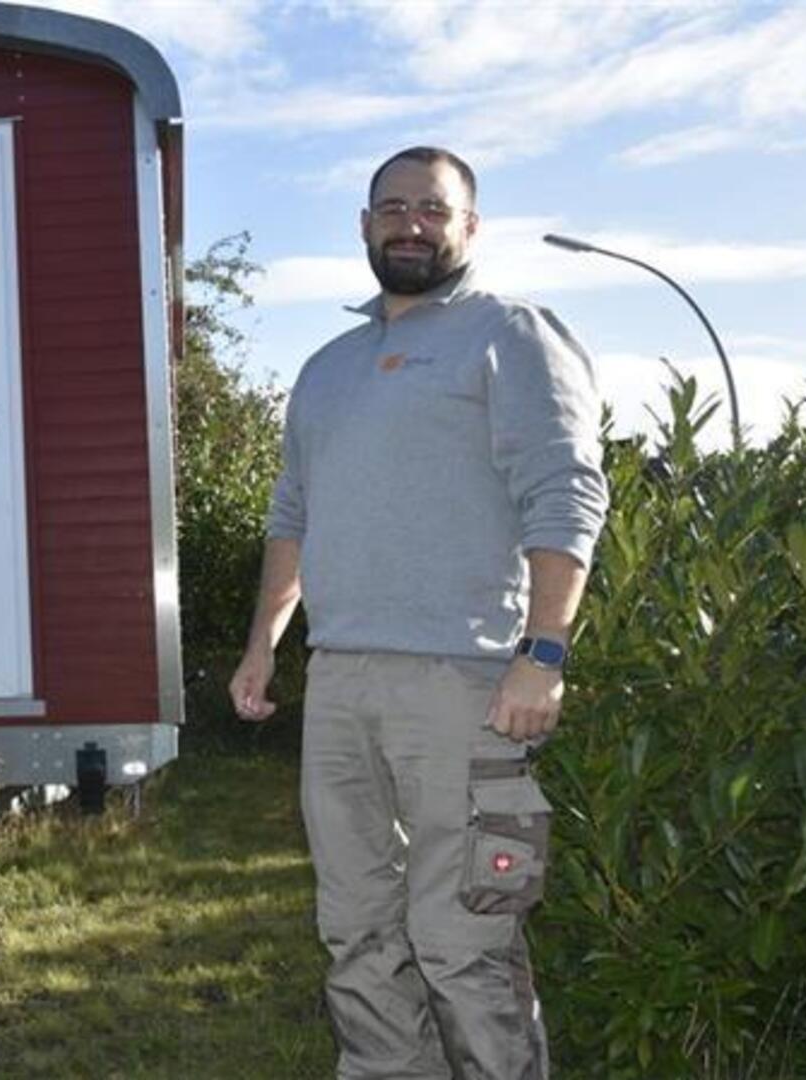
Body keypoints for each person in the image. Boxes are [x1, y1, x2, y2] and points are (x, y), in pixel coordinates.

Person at [229, 146, 610, 1078]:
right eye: (391, 208)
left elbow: (566, 496)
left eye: (432, 210)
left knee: (463, 941)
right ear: (363, 226)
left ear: (469, 227)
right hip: (343, 682)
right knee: (355, 932)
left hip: (466, 685)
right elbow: (294, 519)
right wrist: (263, 648)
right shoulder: (326, 369)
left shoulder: (511, 334)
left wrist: (544, 652)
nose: (410, 224)